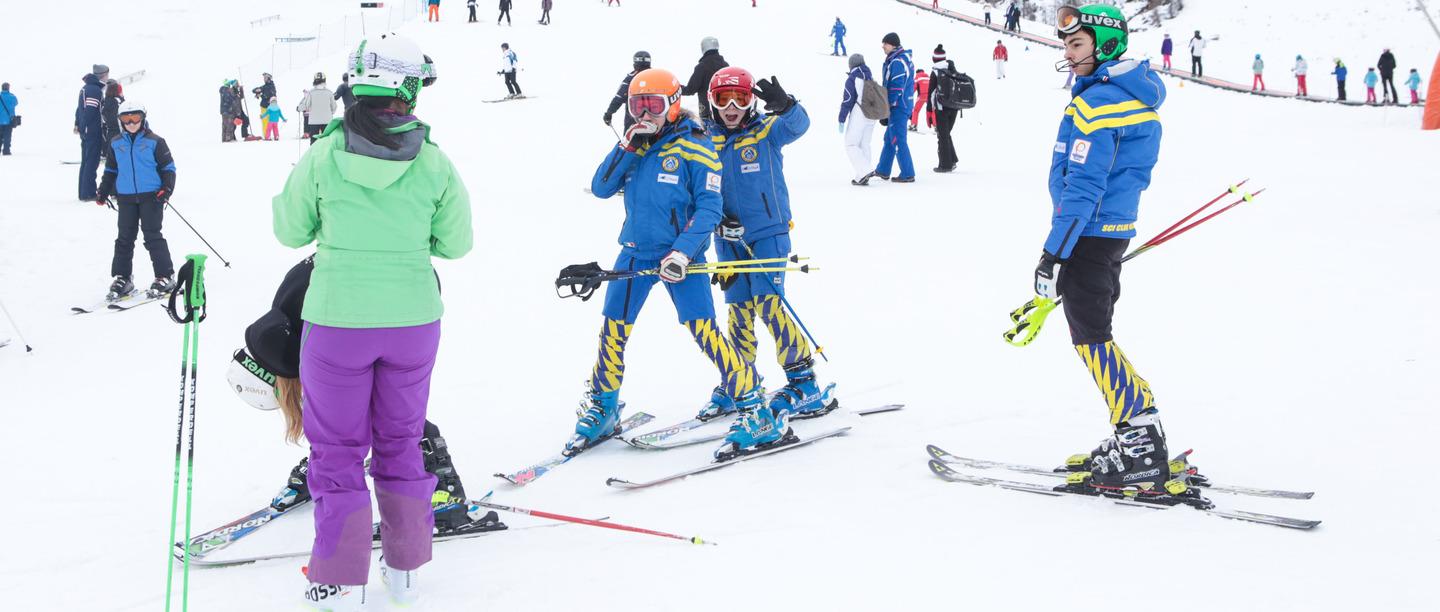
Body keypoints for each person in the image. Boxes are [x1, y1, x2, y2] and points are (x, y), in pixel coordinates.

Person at [271, 32, 469, 610]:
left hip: (337, 322)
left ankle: (338, 576)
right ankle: (404, 569)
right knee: (401, 441)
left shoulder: (323, 155)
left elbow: (289, 231)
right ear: (409, 89)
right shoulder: (434, 161)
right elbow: (457, 243)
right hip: (412, 320)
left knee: (335, 448)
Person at [226, 256, 500, 537]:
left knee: (387, 411)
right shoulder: (283, 322)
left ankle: (443, 491)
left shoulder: (290, 338)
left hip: (387, 308)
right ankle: (324, 470)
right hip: (408, 291)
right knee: (367, 406)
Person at [579, 68, 763, 459]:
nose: (646, 113)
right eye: (638, 105)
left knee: (704, 332)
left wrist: (682, 251)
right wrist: (626, 146)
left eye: (655, 105)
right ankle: (604, 405)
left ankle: (752, 401)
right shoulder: (638, 146)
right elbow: (600, 188)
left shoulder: (696, 146)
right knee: (613, 329)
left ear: (674, 104)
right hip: (634, 251)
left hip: (682, 258)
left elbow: (710, 207)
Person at [1038, 5, 1173, 495]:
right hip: (1107, 233)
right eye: (1066, 46)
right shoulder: (1124, 96)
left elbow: (1083, 185)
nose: (1068, 55)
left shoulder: (1097, 105)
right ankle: (1137, 432)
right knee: (1096, 334)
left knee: (1091, 337)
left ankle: (1139, 441)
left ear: (1106, 45)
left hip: (1088, 235)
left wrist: (1053, 253)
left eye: (1077, 45)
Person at [701, 67, 835, 458]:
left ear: (752, 101)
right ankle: (742, 381)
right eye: (724, 100)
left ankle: (803, 380)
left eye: (740, 99)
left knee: (769, 304)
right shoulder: (704, 139)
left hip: (768, 235)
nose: (731, 108)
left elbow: (799, 126)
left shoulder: (766, 131)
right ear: (712, 102)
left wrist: (787, 105)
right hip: (726, 240)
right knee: (738, 312)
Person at [97, 101, 176, 301]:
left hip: (152, 196)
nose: (131, 123)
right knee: (124, 238)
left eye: (135, 118)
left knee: (152, 236)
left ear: (143, 118)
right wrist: (103, 190)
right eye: (126, 119)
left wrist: (166, 190)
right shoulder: (115, 142)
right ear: (120, 121)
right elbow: (111, 170)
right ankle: (123, 278)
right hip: (126, 198)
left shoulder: (155, 141)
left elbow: (169, 168)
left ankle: (165, 276)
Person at [863, 32, 915, 183]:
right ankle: (883, 170)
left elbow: (896, 88)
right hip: (900, 105)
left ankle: (908, 173)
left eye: (885, 43)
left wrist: (887, 107)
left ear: (892, 44)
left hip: (899, 106)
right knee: (889, 138)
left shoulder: (898, 62)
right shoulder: (896, 59)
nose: (882, 46)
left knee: (898, 138)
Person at [839, 54, 877, 186]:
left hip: (859, 112)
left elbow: (848, 99)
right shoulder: (870, 75)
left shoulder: (853, 77)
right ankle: (861, 176)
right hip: (872, 114)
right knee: (864, 144)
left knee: (851, 144)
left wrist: (841, 118)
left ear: (851, 65)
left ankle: (865, 170)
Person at [75, 64, 108, 201]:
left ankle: (83, 192)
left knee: (86, 161)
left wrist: (78, 124)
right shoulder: (95, 90)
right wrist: (84, 126)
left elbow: (79, 110)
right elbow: (89, 111)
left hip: (87, 130)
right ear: (104, 75)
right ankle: (89, 193)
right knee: (91, 162)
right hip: (92, 131)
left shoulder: (87, 88)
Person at [928, 45, 961, 173]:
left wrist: (929, 111)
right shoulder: (952, 69)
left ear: (934, 58)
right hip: (954, 107)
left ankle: (945, 165)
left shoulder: (935, 71)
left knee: (942, 136)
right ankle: (952, 160)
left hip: (941, 108)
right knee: (946, 134)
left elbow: (931, 93)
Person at [604, 50, 651, 130]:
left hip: (634, 118)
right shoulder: (656, 76)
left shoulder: (630, 79)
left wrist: (609, 113)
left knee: (632, 138)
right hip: (655, 114)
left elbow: (619, 97)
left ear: (635, 64)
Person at [684, 37, 729, 119]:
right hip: (726, 110)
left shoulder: (701, 67)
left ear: (703, 48)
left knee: (708, 131)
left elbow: (690, 89)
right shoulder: (726, 66)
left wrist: (675, 88)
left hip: (707, 112)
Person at [298, 72, 338, 143]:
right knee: (326, 141)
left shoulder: (311, 93)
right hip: (327, 121)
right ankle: (326, 154)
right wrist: (330, 112)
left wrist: (298, 108)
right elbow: (334, 106)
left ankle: (314, 154)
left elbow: (306, 105)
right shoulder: (329, 92)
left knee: (314, 142)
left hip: (314, 121)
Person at [0, 82, 16, 156]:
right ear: (8, 88)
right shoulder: (12, 97)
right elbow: (16, 103)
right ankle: (6, 151)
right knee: (7, 136)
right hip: (9, 120)